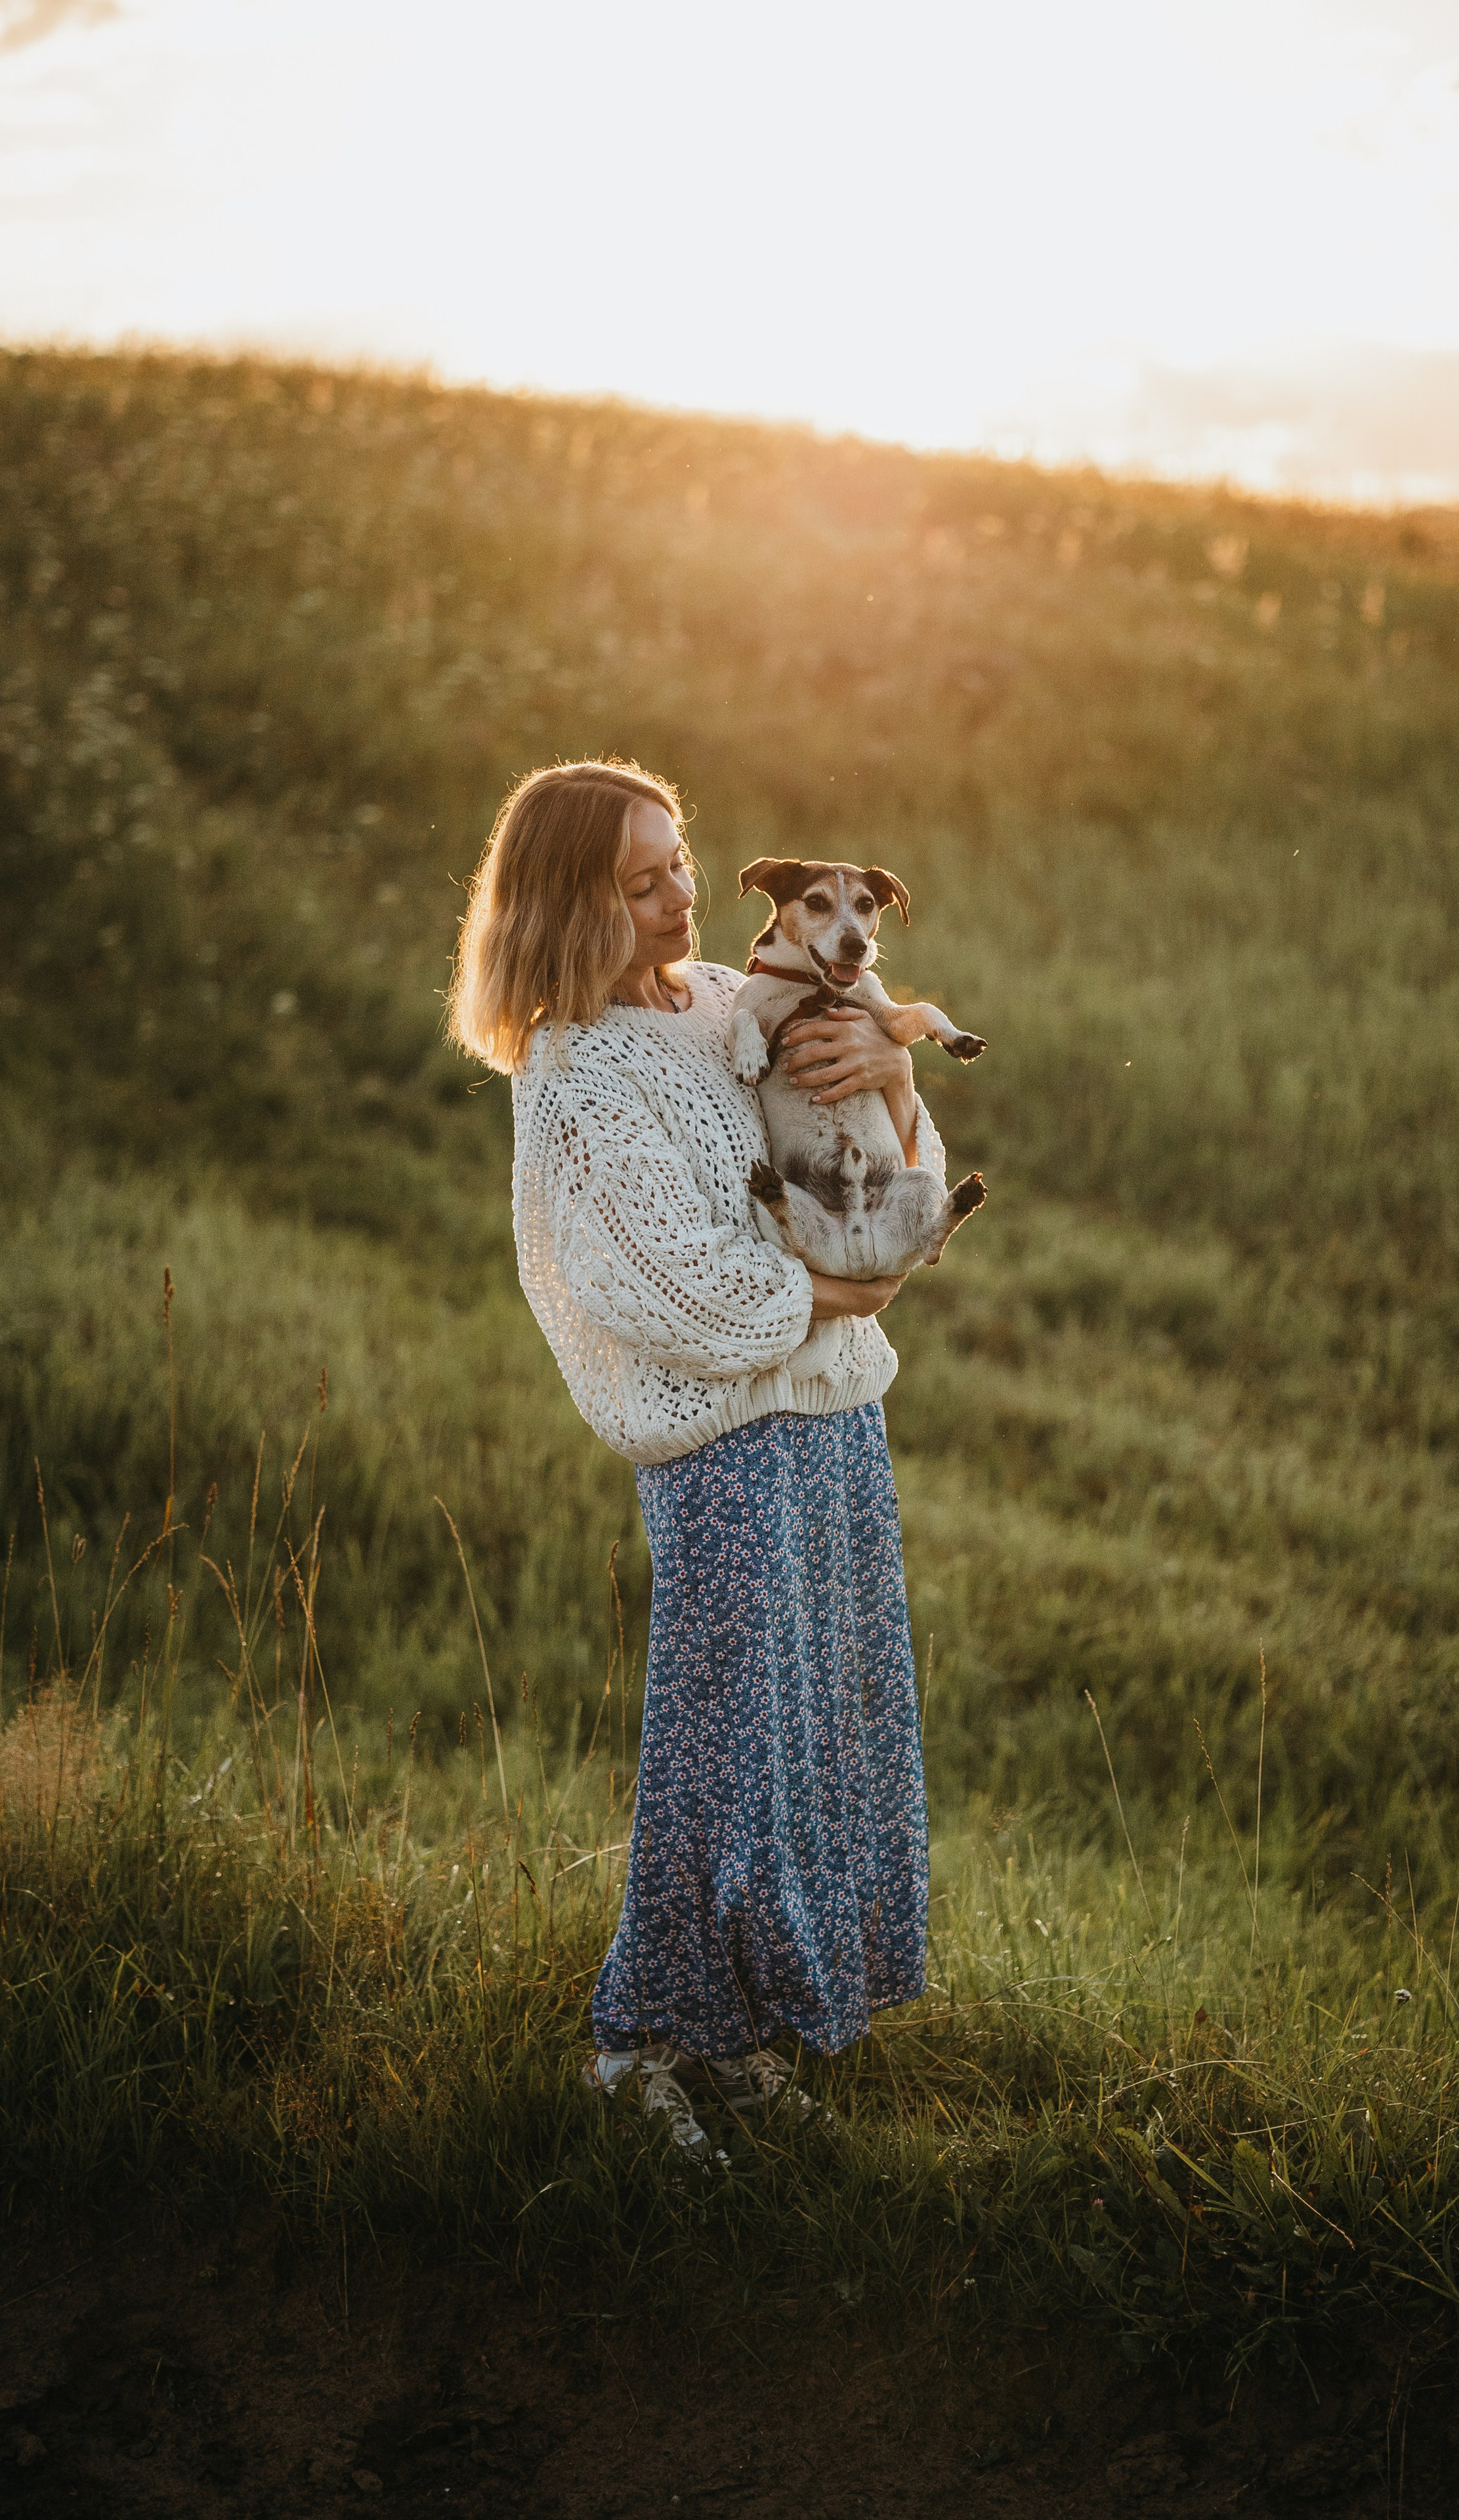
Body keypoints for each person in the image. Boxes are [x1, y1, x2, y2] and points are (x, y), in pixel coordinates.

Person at [446, 758, 941, 2163]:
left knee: (811, 1749)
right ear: (565, 904)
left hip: (838, 1425)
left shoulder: (738, 1002)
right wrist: (842, 1293)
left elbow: (893, 1161)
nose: (682, 898)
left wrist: (893, 1070)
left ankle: (729, 2039)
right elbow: (669, 1288)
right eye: (643, 881)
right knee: (718, 1755)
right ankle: (634, 2041)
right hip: (724, 1452)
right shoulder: (578, 1070)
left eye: (680, 864)